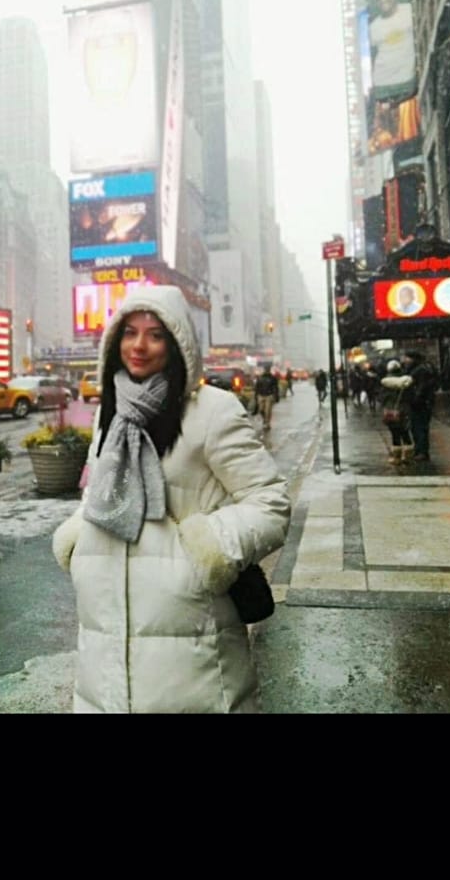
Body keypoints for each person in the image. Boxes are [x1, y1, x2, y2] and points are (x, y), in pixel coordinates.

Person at [51, 286, 291, 714]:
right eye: (129, 332)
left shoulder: (212, 411)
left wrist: (207, 550)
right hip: (104, 630)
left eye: (156, 334)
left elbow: (270, 500)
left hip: (191, 636)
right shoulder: (111, 412)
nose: (139, 345)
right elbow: (101, 489)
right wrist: (78, 537)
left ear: (178, 342)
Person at [369, 0, 416, 99]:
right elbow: (371, 55)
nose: (383, 0)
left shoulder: (409, 11)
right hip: (382, 84)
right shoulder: (374, 27)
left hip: (407, 80)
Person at [401, 351, 438, 461]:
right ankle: (419, 450)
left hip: (420, 404)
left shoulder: (420, 370)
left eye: (407, 358)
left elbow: (422, 387)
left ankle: (422, 452)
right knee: (417, 428)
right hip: (420, 403)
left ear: (413, 359)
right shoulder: (419, 369)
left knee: (419, 428)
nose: (404, 360)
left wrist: (416, 399)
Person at [380, 359, 414, 464]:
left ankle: (396, 457)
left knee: (395, 433)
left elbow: (382, 397)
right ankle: (408, 456)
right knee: (405, 432)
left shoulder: (385, 383)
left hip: (391, 409)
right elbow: (411, 396)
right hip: (404, 409)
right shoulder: (406, 381)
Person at [254, 365, 279, 432]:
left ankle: (267, 423)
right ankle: (265, 419)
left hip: (269, 396)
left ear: (269, 370)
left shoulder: (273, 378)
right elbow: (257, 387)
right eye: (266, 369)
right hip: (261, 395)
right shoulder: (260, 378)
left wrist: (276, 396)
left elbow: (275, 388)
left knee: (267, 411)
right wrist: (256, 396)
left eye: (268, 369)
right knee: (261, 409)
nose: (267, 371)